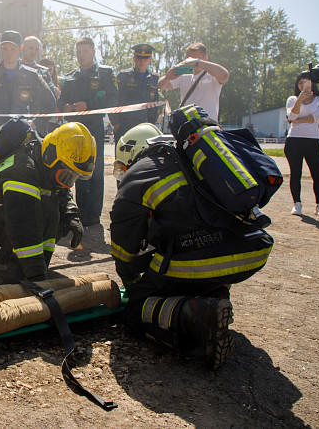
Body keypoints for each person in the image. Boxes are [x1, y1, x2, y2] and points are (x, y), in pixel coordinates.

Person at [110, 120, 274, 370]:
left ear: (132, 153)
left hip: (205, 259)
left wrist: (130, 280)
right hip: (252, 249)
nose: (122, 172)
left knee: (135, 311)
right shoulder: (192, 161)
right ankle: (215, 295)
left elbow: (124, 247)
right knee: (182, 265)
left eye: (122, 166)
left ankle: (199, 313)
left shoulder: (138, 174)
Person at [0, 122, 94, 281]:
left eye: (72, 178)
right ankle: (18, 269)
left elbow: (62, 191)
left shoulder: (46, 159)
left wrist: (72, 214)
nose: (67, 182)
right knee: (48, 209)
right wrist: (37, 276)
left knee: (53, 209)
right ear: (51, 156)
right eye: (66, 175)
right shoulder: (24, 168)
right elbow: (22, 226)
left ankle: (14, 254)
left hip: (7, 212)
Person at [57, 37, 118, 227]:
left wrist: (88, 106)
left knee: (96, 171)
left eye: (84, 51)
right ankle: (80, 211)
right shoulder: (70, 76)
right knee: (77, 169)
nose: (80, 55)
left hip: (94, 128)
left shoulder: (104, 73)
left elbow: (113, 100)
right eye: (78, 52)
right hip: (74, 130)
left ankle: (93, 214)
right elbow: (60, 101)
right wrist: (65, 106)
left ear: (93, 52)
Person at [0, 30, 55, 139]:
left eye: (13, 49)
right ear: (1, 49)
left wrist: (36, 122)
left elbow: (50, 102)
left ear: (20, 48)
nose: (8, 53)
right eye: (5, 49)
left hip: (21, 131)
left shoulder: (32, 75)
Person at [284, 72, 319, 217]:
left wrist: (297, 121)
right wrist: (299, 101)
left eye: (307, 82)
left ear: (312, 84)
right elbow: (291, 116)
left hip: (313, 140)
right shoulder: (292, 99)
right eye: (300, 83)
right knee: (295, 173)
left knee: (317, 174)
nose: (303, 85)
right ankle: (297, 204)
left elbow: (318, 116)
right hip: (294, 140)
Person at [157, 42, 229, 121]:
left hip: (208, 126)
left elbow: (225, 76)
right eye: (189, 59)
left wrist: (198, 63)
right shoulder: (183, 75)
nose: (193, 63)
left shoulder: (212, 75)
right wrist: (168, 77)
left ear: (205, 57)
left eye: (197, 59)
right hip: (188, 126)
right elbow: (161, 86)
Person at [111, 44, 160, 145]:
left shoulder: (154, 79)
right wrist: (116, 124)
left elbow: (154, 105)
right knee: (122, 159)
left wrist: (151, 125)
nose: (142, 61)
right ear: (134, 58)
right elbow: (113, 100)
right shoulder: (123, 76)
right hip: (124, 126)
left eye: (145, 58)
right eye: (139, 57)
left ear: (150, 59)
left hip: (144, 126)